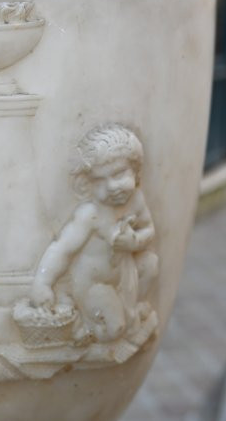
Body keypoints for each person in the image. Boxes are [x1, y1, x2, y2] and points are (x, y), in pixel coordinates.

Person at [29, 123, 156, 342]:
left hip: (124, 273)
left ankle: (134, 307)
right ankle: (84, 327)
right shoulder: (90, 214)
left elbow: (148, 229)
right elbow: (63, 249)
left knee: (151, 263)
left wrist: (135, 241)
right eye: (99, 180)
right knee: (115, 329)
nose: (112, 186)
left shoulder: (136, 199)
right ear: (87, 183)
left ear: (135, 170)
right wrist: (42, 283)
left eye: (119, 174)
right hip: (95, 284)